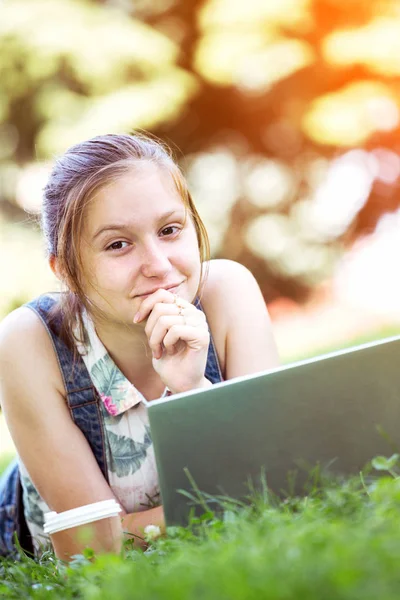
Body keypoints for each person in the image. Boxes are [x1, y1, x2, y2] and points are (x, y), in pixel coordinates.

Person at [0, 133, 279, 560]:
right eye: (118, 244)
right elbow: (88, 547)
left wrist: (194, 390)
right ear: (67, 272)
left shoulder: (228, 292)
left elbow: (277, 478)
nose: (159, 265)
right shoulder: (28, 341)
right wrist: (240, 494)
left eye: (170, 230)